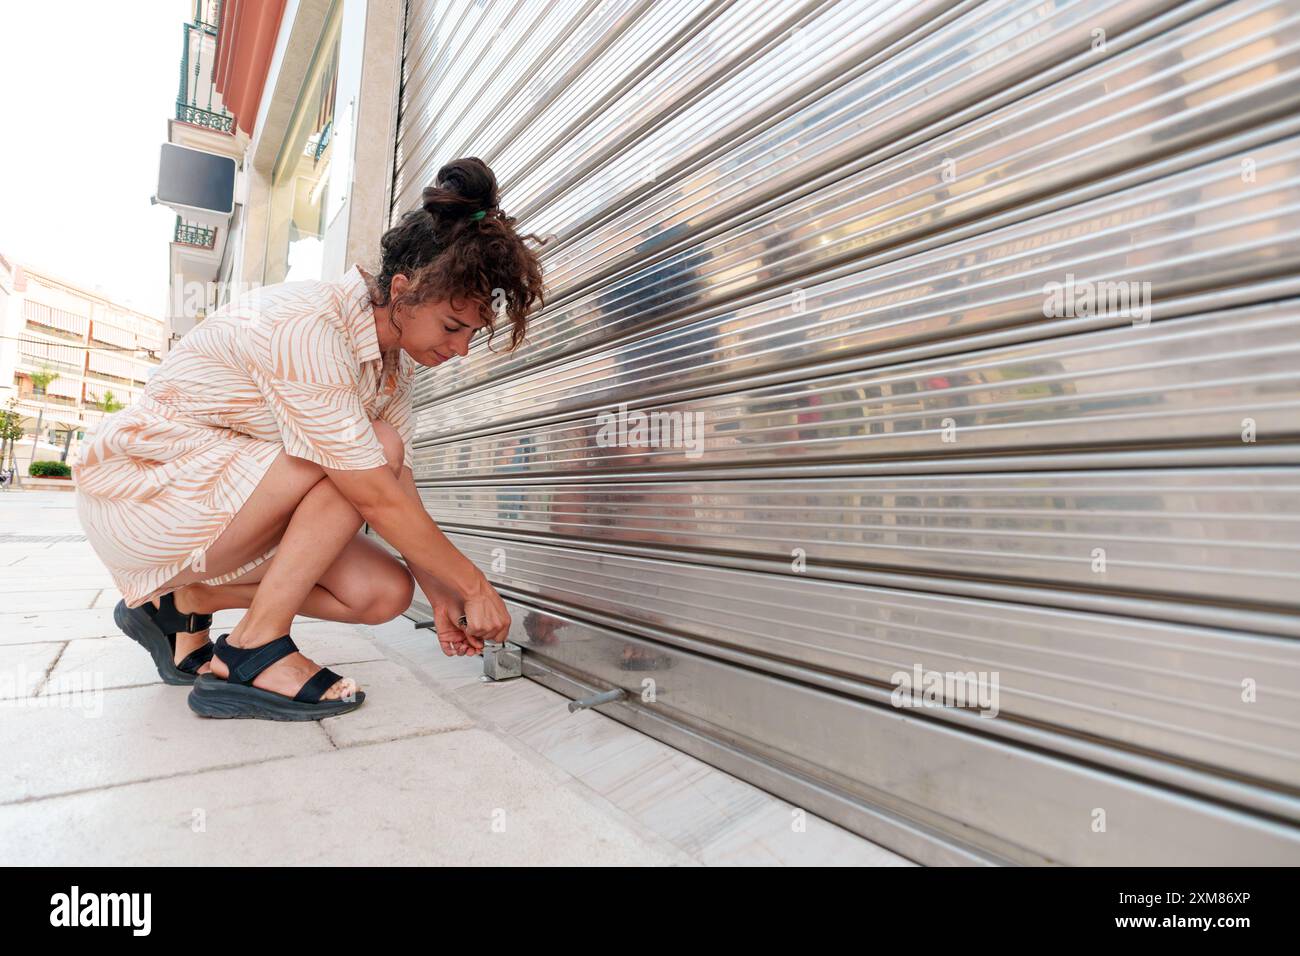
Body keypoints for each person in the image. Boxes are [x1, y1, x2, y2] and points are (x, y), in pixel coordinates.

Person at [71, 157, 547, 721]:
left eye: (472, 333)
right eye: (452, 326)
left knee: (384, 594)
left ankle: (180, 603)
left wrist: (439, 591)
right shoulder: (308, 325)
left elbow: (398, 490)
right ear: (402, 290)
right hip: (146, 493)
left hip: (223, 499)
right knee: (376, 447)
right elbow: (371, 486)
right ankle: (252, 649)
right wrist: (473, 583)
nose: (461, 349)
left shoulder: (392, 366)